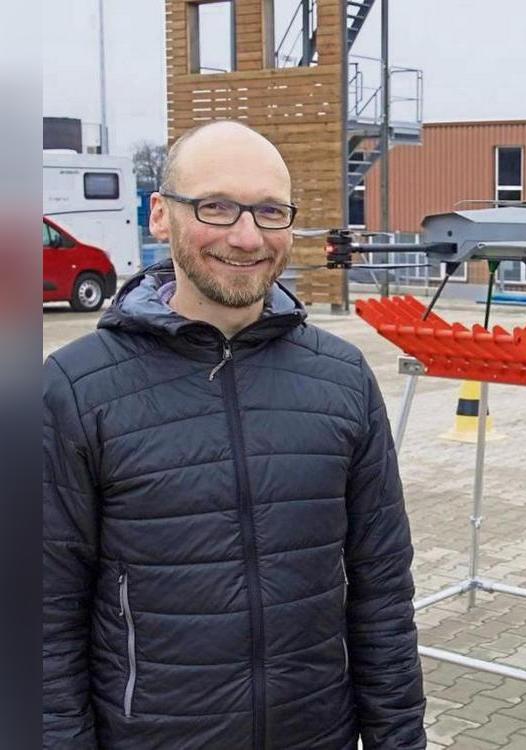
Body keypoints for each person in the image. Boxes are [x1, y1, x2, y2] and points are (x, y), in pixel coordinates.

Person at [43, 121, 426, 748]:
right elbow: (45, 621)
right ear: (161, 217)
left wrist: (398, 739)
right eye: (216, 207)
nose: (247, 237)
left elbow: (382, 590)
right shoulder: (75, 388)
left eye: (270, 211)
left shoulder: (343, 378)